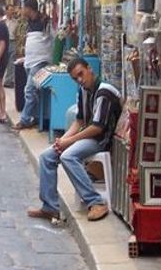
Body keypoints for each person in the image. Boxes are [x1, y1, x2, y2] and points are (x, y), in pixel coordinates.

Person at [28, 57, 122, 222]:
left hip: (102, 140)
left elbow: (97, 128)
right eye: (75, 78)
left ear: (89, 69)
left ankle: (96, 202)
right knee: (47, 156)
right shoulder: (83, 90)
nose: (79, 80)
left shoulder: (104, 92)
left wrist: (69, 142)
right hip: (88, 136)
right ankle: (50, 207)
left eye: (81, 74)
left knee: (68, 156)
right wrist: (62, 141)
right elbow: (79, 121)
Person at [13, 0, 53, 130]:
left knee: (29, 90)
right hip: (29, 62)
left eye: (23, 7)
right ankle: (36, 117)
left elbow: (52, 38)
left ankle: (24, 119)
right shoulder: (28, 22)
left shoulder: (45, 21)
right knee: (34, 92)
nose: (21, 10)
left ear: (29, 8)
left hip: (40, 62)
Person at [3, 4, 19, 88]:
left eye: (13, 10)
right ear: (6, 11)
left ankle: (8, 81)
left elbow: (16, 33)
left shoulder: (15, 22)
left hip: (12, 42)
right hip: (3, 42)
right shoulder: (2, 21)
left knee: (11, 62)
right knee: (3, 61)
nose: (12, 11)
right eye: (10, 10)